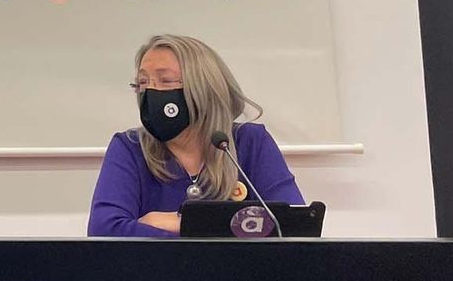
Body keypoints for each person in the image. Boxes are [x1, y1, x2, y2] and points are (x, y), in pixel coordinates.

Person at [86, 35, 305, 237]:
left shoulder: (250, 142)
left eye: (166, 81)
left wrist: (183, 222)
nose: (150, 92)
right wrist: (233, 230)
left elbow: (293, 224)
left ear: (203, 88)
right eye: (142, 83)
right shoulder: (130, 146)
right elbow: (104, 230)